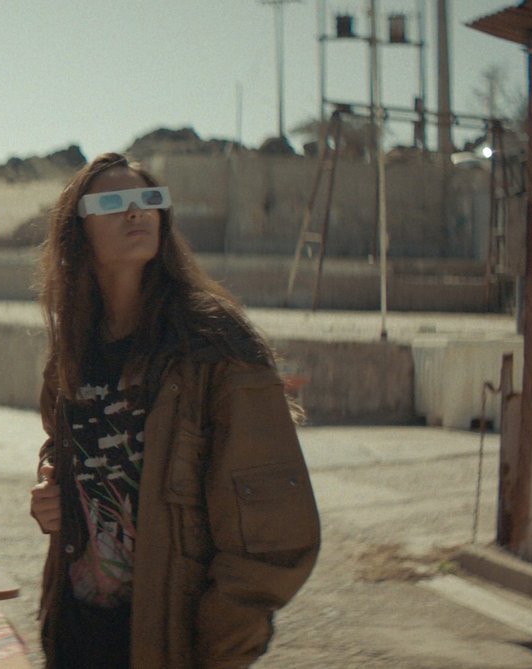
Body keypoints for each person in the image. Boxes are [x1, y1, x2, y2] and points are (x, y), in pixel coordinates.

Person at [27, 153, 319, 668]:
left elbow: (273, 522)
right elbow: (64, 441)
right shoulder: (75, 343)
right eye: (114, 203)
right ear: (79, 230)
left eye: (149, 199)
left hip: (168, 639)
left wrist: (221, 642)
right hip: (77, 631)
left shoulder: (213, 342)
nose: (136, 212)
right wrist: (52, 484)